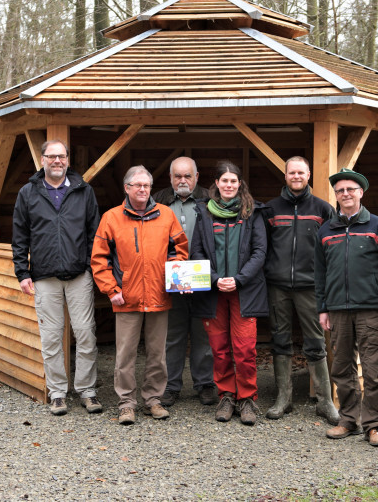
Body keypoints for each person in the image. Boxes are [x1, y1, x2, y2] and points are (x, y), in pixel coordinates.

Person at [91, 166, 188, 426]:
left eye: (146, 185)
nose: (143, 189)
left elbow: (181, 249)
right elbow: (98, 259)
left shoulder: (166, 215)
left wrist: (173, 276)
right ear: (127, 188)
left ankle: (153, 400)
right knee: (125, 354)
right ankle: (126, 404)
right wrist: (111, 290)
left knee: (157, 353)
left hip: (159, 295)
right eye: (137, 185)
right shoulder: (111, 218)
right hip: (127, 297)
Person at [12, 140, 101, 416]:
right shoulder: (28, 193)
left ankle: (87, 390)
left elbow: (94, 233)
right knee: (51, 337)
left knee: (85, 333)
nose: (57, 161)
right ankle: (58, 393)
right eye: (51, 156)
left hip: (78, 275)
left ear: (67, 159)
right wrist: (22, 272)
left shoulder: (84, 191)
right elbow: (19, 236)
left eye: (61, 156)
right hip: (44, 276)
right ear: (42, 160)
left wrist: (89, 267)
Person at [314, 168, 378, 447]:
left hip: (370, 308)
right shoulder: (326, 231)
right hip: (337, 309)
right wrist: (322, 308)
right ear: (336, 196)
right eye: (340, 190)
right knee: (341, 367)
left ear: (361, 193)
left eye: (351, 189)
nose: (346, 194)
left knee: (374, 369)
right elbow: (320, 273)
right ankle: (348, 420)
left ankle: (374, 426)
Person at [190, 161, 268, 425]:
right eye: (225, 181)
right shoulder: (204, 212)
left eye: (234, 181)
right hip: (213, 292)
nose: (229, 185)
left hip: (244, 291)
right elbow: (197, 251)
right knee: (219, 349)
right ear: (217, 184)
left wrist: (239, 279)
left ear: (240, 184)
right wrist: (214, 279)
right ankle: (226, 395)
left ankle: (247, 398)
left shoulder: (253, 212)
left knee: (245, 349)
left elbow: (260, 252)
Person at [263, 156, 339, 425]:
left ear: (309, 175)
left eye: (301, 172)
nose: (296, 176)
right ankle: (284, 399)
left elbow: (333, 249)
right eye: (291, 172)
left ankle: (325, 401)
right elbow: (263, 248)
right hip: (277, 286)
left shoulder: (323, 209)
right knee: (280, 340)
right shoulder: (271, 210)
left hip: (311, 287)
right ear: (285, 176)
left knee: (316, 342)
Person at [152, 157, 216, 408]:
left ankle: (205, 384)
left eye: (187, 176)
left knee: (204, 334)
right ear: (170, 178)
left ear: (197, 176)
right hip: (171, 278)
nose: (182, 181)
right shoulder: (157, 200)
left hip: (203, 277)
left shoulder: (210, 200)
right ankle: (170, 385)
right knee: (173, 335)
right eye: (177, 176)